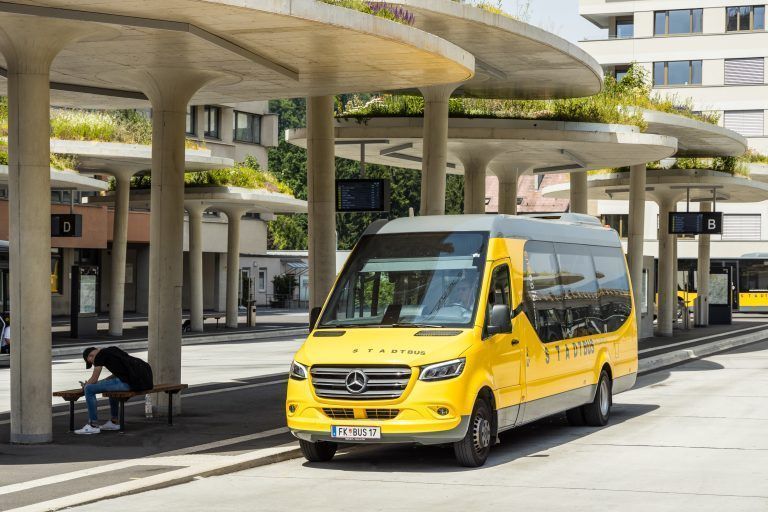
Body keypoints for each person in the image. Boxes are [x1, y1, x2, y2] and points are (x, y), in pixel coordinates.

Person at [76, 346, 153, 435]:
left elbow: (94, 379)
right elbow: (116, 376)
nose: (93, 364)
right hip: (140, 383)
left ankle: (93, 425)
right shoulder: (113, 350)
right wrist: (100, 383)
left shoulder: (99, 356)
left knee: (89, 389)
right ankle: (114, 422)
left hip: (128, 384)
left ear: (90, 357)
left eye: (91, 362)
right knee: (111, 388)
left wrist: (85, 386)